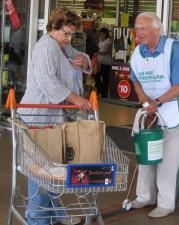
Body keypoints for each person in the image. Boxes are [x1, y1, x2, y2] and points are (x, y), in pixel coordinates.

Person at [18, 7, 92, 225]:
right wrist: (77, 100)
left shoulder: (60, 46)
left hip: (50, 120)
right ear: (53, 28)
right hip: (37, 118)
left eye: (72, 35)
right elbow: (49, 82)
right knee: (40, 174)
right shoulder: (46, 48)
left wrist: (83, 62)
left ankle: (55, 215)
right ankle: (37, 219)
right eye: (65, 34)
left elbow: (80, 57)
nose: (68, 39)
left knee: (52, 172)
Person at [130, 12, 179, 218]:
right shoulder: (137, 52)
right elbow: (136, 80)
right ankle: (145, 195)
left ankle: (166, 202)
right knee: (146, 150)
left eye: (142, 28)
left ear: (156, 30)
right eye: (137, 28)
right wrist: (145, 100)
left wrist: (158, 102)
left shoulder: (173, 49)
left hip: (173, 104)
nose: (138, 33)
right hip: (150, 106)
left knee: (169, 155)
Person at [94, 27, 112, 98]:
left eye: (102, 34)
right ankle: (100, 90)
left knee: (105, 79)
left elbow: (107, 51)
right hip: (99, 62)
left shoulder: (109, 41)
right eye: (100, 34)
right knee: (96, 76)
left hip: (106, 63)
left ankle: (104, 94)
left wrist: (98, 53)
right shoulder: (100, 40)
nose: (100, 35)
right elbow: (99, 48)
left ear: (106, 34)